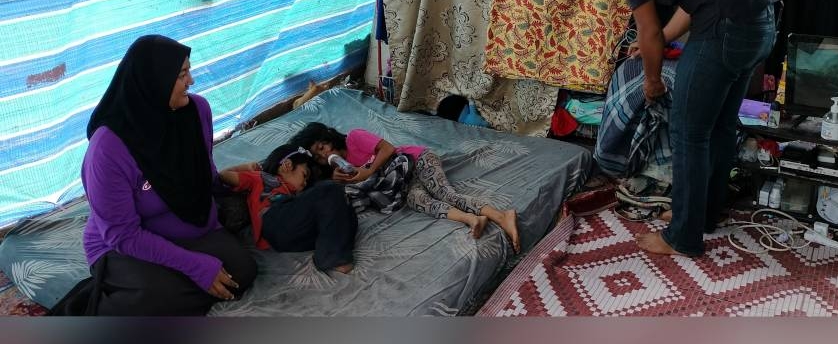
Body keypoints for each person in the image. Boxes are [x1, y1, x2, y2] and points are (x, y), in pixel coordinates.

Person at [581, 0, 778, 257]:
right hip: (761, 25)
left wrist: (652, 80)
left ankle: (683, 237)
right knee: (719, 127)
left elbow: (649, 29)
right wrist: (659, 41)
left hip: (725, 28)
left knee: (688, 133)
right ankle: (703, 216)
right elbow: (690, 3)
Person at [52, 35, 257, 316]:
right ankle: (97, 301)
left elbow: (202, 172)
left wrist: (228, 177)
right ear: (154, 81)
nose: (192, 81)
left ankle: (143, 295)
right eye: (182, 75)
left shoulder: (197, 111)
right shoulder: (109, 148)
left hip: (191, 226)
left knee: (241, 271)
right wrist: (194, 266)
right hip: (126, 245)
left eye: (189, 71)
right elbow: (122, 234)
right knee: (161, 293)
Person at [292, 122, 521, 252]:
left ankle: (502, 216)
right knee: (419, 201)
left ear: (329, 137)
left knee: (443, 192)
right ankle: (472, 219)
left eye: (322, 147)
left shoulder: (354, 138)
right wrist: (338, 180)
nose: (324, 155)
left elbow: (388, 149)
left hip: (416, 160)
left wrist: (368, 171)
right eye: (318, 156)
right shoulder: (339, 171)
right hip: (404, 183)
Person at [219, 144, 357, 275]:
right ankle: (332, 258)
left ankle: (330, 248)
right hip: (274, 218)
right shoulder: (260, 177)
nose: (304, 184)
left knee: (348, 214)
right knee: (329, 188)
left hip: (290, 238)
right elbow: (224, 175)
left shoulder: (295, 197)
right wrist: (247, 167)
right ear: (287, 165)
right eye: (304, 175)